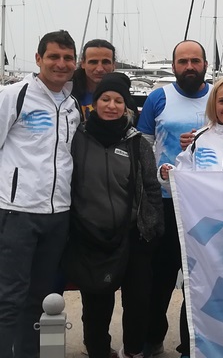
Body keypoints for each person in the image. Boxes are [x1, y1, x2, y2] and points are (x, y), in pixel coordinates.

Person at [68, 72, 163, 358]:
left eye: (118, 101)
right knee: (96, 304)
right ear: (95, 103)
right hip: (91, 234)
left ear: (126, 107)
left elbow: (151, 187)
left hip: (132, 234)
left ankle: (132, 351)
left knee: (138, 301)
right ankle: (98, 350)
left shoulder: (137, 143)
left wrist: (152, 227)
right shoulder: (77, 138)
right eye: (105, 99)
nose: (111, 105)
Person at [0, 30, 80, 358]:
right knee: (9, 297)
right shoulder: (14, 95)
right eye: (53, 57)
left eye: (67, 58)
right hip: (17, 211)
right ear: (38, 59)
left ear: (75, 63)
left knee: (40, 297)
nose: (61, 64)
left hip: (58, 214)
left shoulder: (72, 105)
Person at [137, 40, 211, 357]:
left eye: (195, 61)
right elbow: (143, 147)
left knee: (200, 281)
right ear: (173, 66)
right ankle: (153, 338)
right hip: (165, 202)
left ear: (205, 64)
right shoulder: (159, 98)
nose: (189, 66)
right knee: (160, 278)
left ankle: (189, 345)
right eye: (183, 61)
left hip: (205, 205)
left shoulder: (218, 98)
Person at [72, 39, 116, 121]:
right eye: (93, 62)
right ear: (83, 63)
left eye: (105, 62)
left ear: (114, 65)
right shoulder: (68, 92)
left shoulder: (122, 95)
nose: (99, 69)